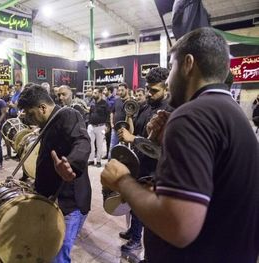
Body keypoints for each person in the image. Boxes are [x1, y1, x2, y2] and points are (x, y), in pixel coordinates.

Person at [101, 27, 259, 263]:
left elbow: (179, 226)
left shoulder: (192, 116)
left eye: (171, 67)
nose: (169, 79)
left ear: (188, 64)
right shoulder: (233, 114)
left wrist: (123, 182)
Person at [18, 85, 91, 263]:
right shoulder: (48, 122)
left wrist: (71, 164)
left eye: (30, 113)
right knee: (49, 251)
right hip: (53, 198)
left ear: (42, 108)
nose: (28, 118)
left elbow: (82, 142)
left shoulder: (67, 114)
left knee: (57, 257)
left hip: (68, 204)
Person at [117, 68, 173, 256]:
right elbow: (140, 131)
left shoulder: (168, 111)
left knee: (144, 206)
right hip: (140, 162)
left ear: (167, 88)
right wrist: (128, 128)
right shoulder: (148, 105)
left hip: (155, 169)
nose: (149, 93)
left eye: (154, 90)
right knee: (134, 204)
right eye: (148, 88)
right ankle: (134, 231)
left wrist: (133, 139)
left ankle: (136, 242)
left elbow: (157, 146)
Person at [87, 87, 109, 167]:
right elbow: (90, 113)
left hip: (101, 127)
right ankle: (91, 160)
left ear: (100, 93)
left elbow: (108, 115)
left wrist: (106, 125)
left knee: (99, 144)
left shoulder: (105, 103)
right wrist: (89, 123)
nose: (93, 94)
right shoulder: (92, 103)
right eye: (93, 93)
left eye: (95, 93)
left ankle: (99, 161)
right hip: (91, 126)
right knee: (90, 144)